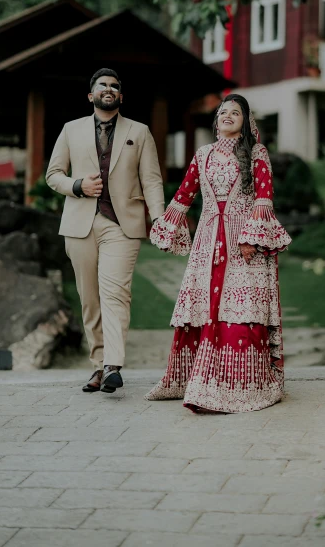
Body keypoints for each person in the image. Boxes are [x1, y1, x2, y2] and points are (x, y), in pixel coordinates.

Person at [146, 93, 291, 413]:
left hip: (244, 242)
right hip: (208, 241)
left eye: (235, 112)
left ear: (245, 121)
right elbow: (185, 194)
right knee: (203, 310)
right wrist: (166, 225)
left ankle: (241, 385)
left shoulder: (257, 153)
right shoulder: (203, 154)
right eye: (222, 112)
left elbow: (264, 198)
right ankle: (197, 383)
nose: (227, 115)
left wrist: (252, 236)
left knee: (241, 312)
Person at [46, 68, 164, 393]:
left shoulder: (139, 132)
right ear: (91, 95)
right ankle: (97, 366)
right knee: (89, 298)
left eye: (114, 86)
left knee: (116, 292)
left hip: (122, 224)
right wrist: (78, 185)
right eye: (103, 86)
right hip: (79, 224)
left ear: (120, 96)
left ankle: (113, 364)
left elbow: (151, 179)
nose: (108, 90)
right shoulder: (71, 130)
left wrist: (159, 217)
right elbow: (53, 173)